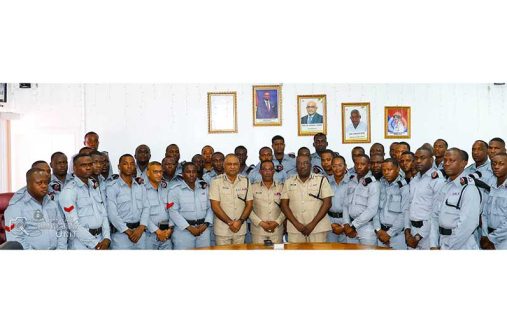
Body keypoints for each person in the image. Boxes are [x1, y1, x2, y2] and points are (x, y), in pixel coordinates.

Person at [430, 149, 481, 250]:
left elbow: (467, 224)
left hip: (462, 245)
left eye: (452, 160)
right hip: (442, 242)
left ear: (464, 163)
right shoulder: (445, 186)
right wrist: (433, 244)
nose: (447, 164)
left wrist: (449, 248)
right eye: (445, 160)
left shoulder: (469, 188)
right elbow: (435, 216)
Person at [4, 168, 67, 249]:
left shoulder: (52, 204)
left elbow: (62, 229)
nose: (44, 186)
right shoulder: (16, 207)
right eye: (39, 183)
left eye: (46, 182)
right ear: (28, 184)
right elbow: (16, 240)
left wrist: (60, 250)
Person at [59, 154, 111, 250]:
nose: (88, 168)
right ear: (74, 168)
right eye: (83, 165)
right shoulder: (69, 191)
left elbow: (103, 214)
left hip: (101, 239)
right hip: (81, 244)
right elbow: (73, 225)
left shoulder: (94, 186)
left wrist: (107, 237)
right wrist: (95, 244)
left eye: (90, 164)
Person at [281, 155, 332, 243]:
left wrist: (313, 224)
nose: (302, 166)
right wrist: (297, 224)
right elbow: (284, 205)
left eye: (305, 163)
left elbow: (327, 204)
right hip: (295, 228)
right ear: (296, 166)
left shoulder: (321, 180)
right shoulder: (288, 182)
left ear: (310, 165)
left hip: (318, 227)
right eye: (299, 163)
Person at [405, 148, 445, 250]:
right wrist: (407, 231)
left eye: (422, 158)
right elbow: (409, 207)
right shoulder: (414, 180)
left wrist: (418, 237)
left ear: (431, 160)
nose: (418, 161)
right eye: (416, 158)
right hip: (412, 231)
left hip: (428, 234)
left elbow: (435, 212)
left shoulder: (437, 180)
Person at [106, 154, 149, 249]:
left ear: (135, 166)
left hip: (140, 234)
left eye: (132, 163)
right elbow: (112, 214)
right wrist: (128, 231)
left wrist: (141, 227)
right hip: (121, 236)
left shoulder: (140, 187)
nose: (129, 166)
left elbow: (146, 208)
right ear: (119, 166)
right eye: (125, 164)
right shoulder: (112, 187)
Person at [209, 154, 253, 245]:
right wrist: (230, 223)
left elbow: (249, 204)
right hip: (222, 230)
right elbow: (215, 206)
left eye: (235, 164)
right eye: (229, 164)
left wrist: (240, 222)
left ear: (239, 166)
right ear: (224, 166)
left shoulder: (246, 181)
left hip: (240, 229)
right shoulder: (216, 182)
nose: (232, 167)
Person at [168, 163, 213, 249]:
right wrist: (189, 228)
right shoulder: (175, 190)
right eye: (188, 172)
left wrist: (206, 224)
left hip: (203, 231)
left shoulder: (204, 188)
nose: (191, 174)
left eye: (194, 172)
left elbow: (210, 208)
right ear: (182, 174)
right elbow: (173, 212)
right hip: (183, 232)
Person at [342, 154, 380, 245]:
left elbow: (371, 210)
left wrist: (353, 226)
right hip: (350, 226)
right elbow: (345, 205)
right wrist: (347, 224)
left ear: (369, 166)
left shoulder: (374, 184)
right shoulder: (351, 181)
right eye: (356, 164)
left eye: (362, 164)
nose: (358, 166)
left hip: (367, 228)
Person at [247, 160, 285, 244]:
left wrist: (277, 222)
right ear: (260, 172)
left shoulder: (282, 187)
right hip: (258, 230)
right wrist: (261, 223)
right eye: (264, 169)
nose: (267, 172)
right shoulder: (252, 188)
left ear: (274, 171)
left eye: (270, 169)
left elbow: (286, 208)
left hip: (277, 229)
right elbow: (248, 209)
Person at [373, 158, 409, 249]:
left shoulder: (404, 187)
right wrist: (378, 229)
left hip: (398, 235)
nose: (386, 172)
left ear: (397, 169)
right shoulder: (380, 184)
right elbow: (375, 209)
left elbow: (404, 213)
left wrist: (389, 234)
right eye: (384, 170)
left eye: (389, 170)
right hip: (380, 233)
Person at [144, 161, 174, 250]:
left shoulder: (167, 188)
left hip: (167, 234)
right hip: (149, 235)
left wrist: (170, 229)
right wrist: (157, 231)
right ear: (148, 173)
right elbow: (142, 214)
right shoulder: (142, 189)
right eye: (155, 172)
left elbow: (173, 209)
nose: (159, 174)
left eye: (160, 172)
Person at [480, 153, 507, 249]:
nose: (496, 167)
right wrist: (484, 235)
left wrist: (491, 239)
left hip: (503, 240)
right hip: (488, 237)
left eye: (501, 164)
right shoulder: (491, 185)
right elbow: (484, 213)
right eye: (493, 163)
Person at [327, 155, 349, 244]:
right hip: (330, 222)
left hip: (347, 223)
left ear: (345, 167)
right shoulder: (326, 182)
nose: (337, 169)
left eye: (340, 165)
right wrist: (331, 224)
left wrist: (344, 226)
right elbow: (322, 205)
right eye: (334, 166)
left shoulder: (352, 182)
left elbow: (353, 207)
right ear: (331, 167)